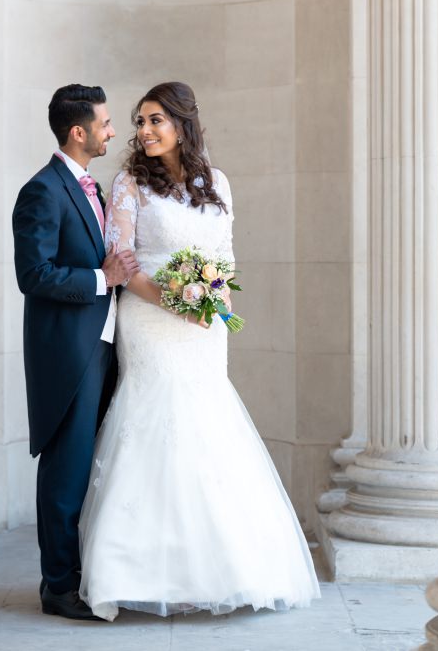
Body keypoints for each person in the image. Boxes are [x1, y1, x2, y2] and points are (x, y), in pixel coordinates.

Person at [76, 81, 320, 620]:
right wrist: (172, 300)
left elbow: (225, 256)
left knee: (207, 422)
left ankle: (218, 569)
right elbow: (121, 258)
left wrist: (214, 304)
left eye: (155, 120)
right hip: (149, 319)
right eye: (139, 122)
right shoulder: (128, 183)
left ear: (184, 124)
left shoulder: (218, 184)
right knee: (155, 417)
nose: (143, 131)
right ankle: (134, 571)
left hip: (204, 327)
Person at [12, 84, 140, 620]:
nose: (113, 131)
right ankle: (58, 588)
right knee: (65, 473)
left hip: (106, 343)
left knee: (89, 468)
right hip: (69, 354)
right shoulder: (41, 190)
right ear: (78, 132)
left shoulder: (93, 187)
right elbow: (33, 275)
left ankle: (82, 574)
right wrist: (99, 277)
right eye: (106, 123)